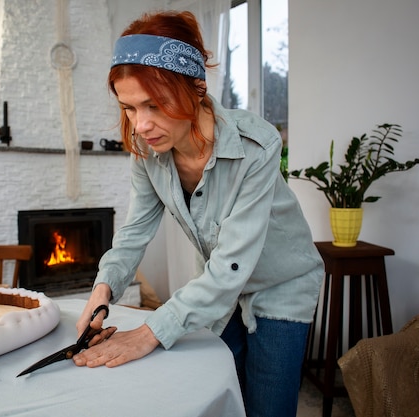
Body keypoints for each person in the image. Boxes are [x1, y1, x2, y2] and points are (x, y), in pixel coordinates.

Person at [73, 10, 324, 417]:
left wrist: (149, 331)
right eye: (130, 108)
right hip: (217, 292)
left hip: (280, 285)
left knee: (267, 407)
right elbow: (133, 236)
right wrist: (102, 292)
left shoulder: (257, 146)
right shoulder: (150, 156)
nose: (140, 125)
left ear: (197, 87)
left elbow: (232, 263)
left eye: (153, 104)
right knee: (221, 394)